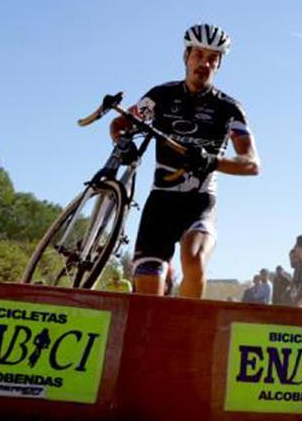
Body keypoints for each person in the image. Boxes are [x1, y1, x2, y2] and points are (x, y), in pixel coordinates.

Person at [110, 24, 261, 298]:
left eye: (212, 58)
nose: (204, 63)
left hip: (199, 203)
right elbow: (120, 123)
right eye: (198, 55)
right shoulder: (161, 96)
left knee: (192, 260)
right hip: (160, 204)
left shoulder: (228, 108)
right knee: (147, 287)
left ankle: (187, 330)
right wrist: (123, 142)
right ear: (186, 56)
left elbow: (251, 163)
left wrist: (212, 161)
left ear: (220, 63)